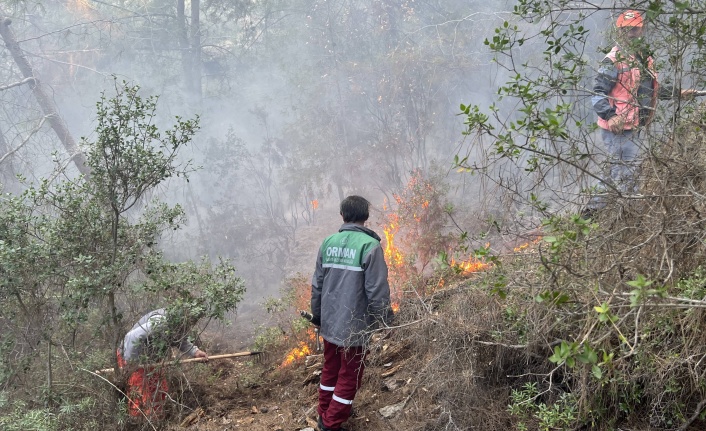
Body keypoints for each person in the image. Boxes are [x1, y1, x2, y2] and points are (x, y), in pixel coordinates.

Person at [587, 9, 698, 212]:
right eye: (627, 29)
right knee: (627, 174)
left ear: (642, 29)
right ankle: (630, 214)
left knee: (614, 171)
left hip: (634, 125)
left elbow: (649, 90)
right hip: (618, 128)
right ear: (619, 31)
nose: (631, 33)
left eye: (635, 28)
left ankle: (591, 213)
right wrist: (611, 116)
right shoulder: (612, 60)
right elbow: (597, 92)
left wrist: (678, 93)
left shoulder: (644, 58)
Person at [310, 195, 394, 431]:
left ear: (342, 215)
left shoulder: (328, 243)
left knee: (330, 368)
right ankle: (331, 423)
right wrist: (385, 320)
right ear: (366, 217)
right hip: (355, 325)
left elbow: (317, 284)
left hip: (330, 322)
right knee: (350, 374)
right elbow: (377, 289)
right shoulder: (370, 246)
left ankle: (324, 412)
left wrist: (317, 315)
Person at [117, 307, 208, 418]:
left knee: (159, 390)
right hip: (131, 358)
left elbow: (178, 339)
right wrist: (131, 362)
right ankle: (138, 423)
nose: (192, 323)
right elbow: (132, 337)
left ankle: (157, 420)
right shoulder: (161, 322)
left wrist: (195, 351)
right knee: (140, 393)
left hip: (151, 360)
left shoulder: (176, 323)